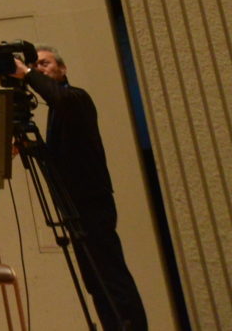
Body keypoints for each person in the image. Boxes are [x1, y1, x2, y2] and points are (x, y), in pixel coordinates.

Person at [16, 47, 148, 331]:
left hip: (91, 202)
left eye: (44, 63)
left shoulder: (76, 98)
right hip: (75, 204)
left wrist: (25, 73)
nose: (38, 69)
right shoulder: (56, 110)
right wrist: (31, 147)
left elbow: (60, 98)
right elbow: (59, 158)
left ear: (63, 69)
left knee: (110, 276)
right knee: (96, 281)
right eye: (34, 65)